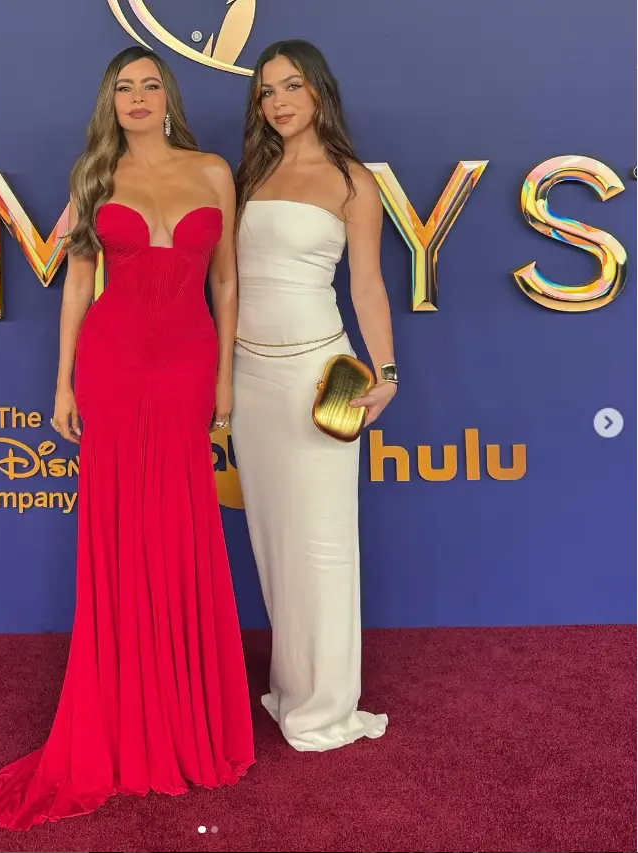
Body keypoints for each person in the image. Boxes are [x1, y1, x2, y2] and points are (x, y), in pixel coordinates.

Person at [0, 46, 254, 829]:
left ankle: (183, 712)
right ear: (110, 103)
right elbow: (77, 287)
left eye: (149, 84)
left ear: (169, 95)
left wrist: (225, 375)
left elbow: (225, 279)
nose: (136, 97)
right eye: (123, 87)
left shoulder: (211, 172)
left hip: (188, 364)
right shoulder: (93, 177)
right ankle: (123, 713)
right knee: (122, 536)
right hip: (113, 362)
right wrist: (62, 382)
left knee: (180, 532)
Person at [231, 39, 394, 752]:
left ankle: (326, 706)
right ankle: (293, 687)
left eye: (290, 85)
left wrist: (385, 374)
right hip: (247, 374)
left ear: (318, 92)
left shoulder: (352, 181)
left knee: (322, 543)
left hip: (316, 374)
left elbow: (365, 285)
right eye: (266, 91)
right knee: (272, 540)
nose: (277, 101)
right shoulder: (251, 175)